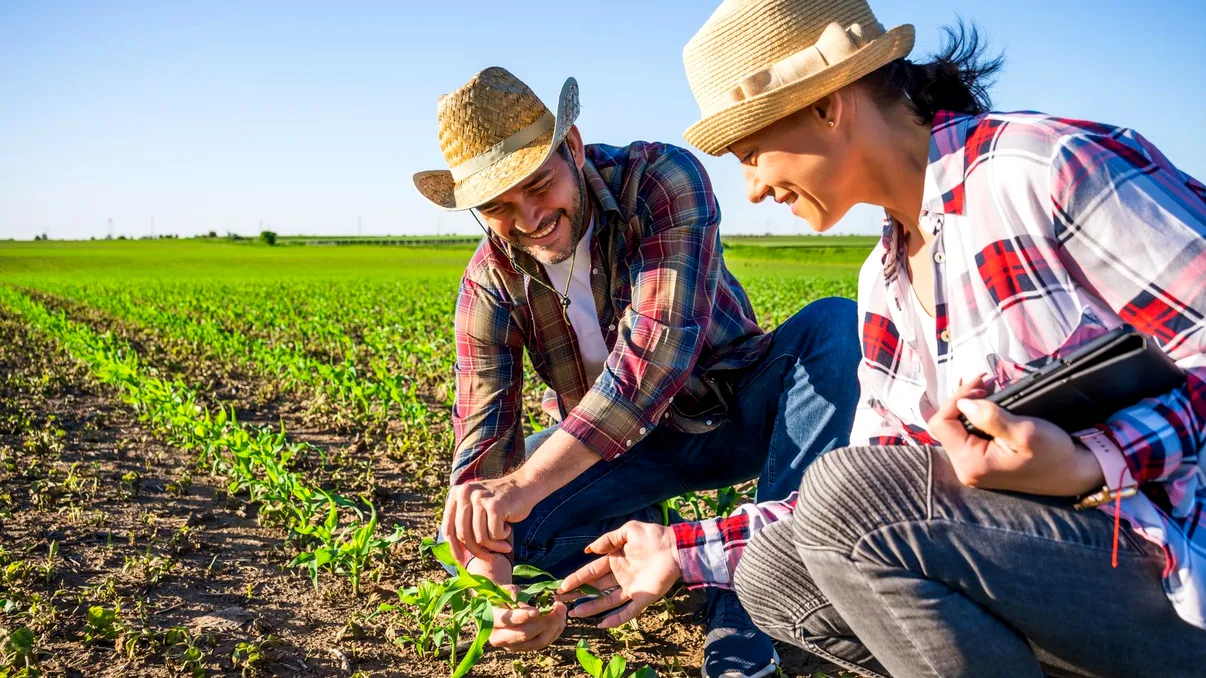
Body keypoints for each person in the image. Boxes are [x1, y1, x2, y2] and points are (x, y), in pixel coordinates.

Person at [556, 1, 1206, 676]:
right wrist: (680, 550)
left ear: (826, 105)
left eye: (750, 154)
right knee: (776, 572)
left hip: (1175, 571)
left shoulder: (1044, 170)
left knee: (846, 498)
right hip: (1059, 569)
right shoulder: (884, 280)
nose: (751, 189)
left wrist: (1092, 460)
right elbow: (877, 483)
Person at [414, 66, 861, 675]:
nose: (529, 217)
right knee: (471, 535)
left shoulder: (659, 180)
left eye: (539, 184)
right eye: (498, 207)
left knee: (835, 326)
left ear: (572, 147)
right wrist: (497, 588)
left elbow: (653, 361)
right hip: (617, 455)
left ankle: (748, 598)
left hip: (732, 413)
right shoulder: (490, 282)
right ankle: (642, 547)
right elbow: (482, 444)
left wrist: (521, 488)